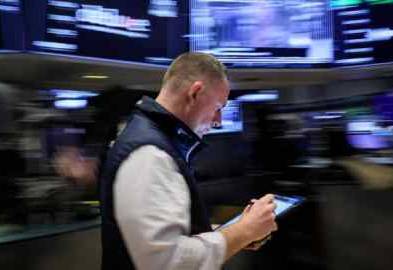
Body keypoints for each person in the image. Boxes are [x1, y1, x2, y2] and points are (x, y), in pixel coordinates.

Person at [100, 52, 278, 270]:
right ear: (195, 93)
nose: (218, 121)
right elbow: (166, 262)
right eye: (217, 108)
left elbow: (171, 235)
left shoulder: (153, 140)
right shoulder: (149, 154)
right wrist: (243, 231)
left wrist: (236, 231)